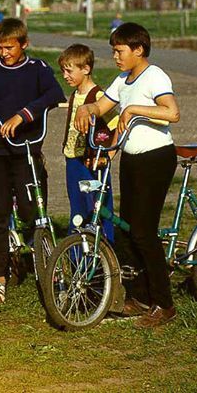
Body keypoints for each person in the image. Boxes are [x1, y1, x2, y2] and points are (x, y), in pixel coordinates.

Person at [74, 22, 181, 328]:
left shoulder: (154, 76)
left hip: (157, 158)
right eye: (113, 51)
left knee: (144, 231)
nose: (115, 57)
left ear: (138, 50)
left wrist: (133, 109)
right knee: (128, 228)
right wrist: (87, 110)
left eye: (119, 51)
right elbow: (101, 105)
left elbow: (172, 112)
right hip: (132, 159)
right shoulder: (123, 79)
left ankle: (165, 304)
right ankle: (140, 295)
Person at [0, 18, 64, 307]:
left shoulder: (37, 69)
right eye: (0, 47)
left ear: (24, 44)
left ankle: (44, 266)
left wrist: (23, 114)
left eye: (10, 47)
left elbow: (54, 94)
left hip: (25, 151)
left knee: (31, 208)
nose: (4, 53)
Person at [58, 44, 117, 243]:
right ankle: (77, 253)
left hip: (93, 164)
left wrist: (110, 153)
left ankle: (105, 248)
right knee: (77, 207)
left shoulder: (99, 97)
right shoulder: (75, 94)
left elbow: (117, 124)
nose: (65, 75)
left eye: (69, 70)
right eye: (63, 71)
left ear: (86, 69)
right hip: (73, 160)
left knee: (98, 206)